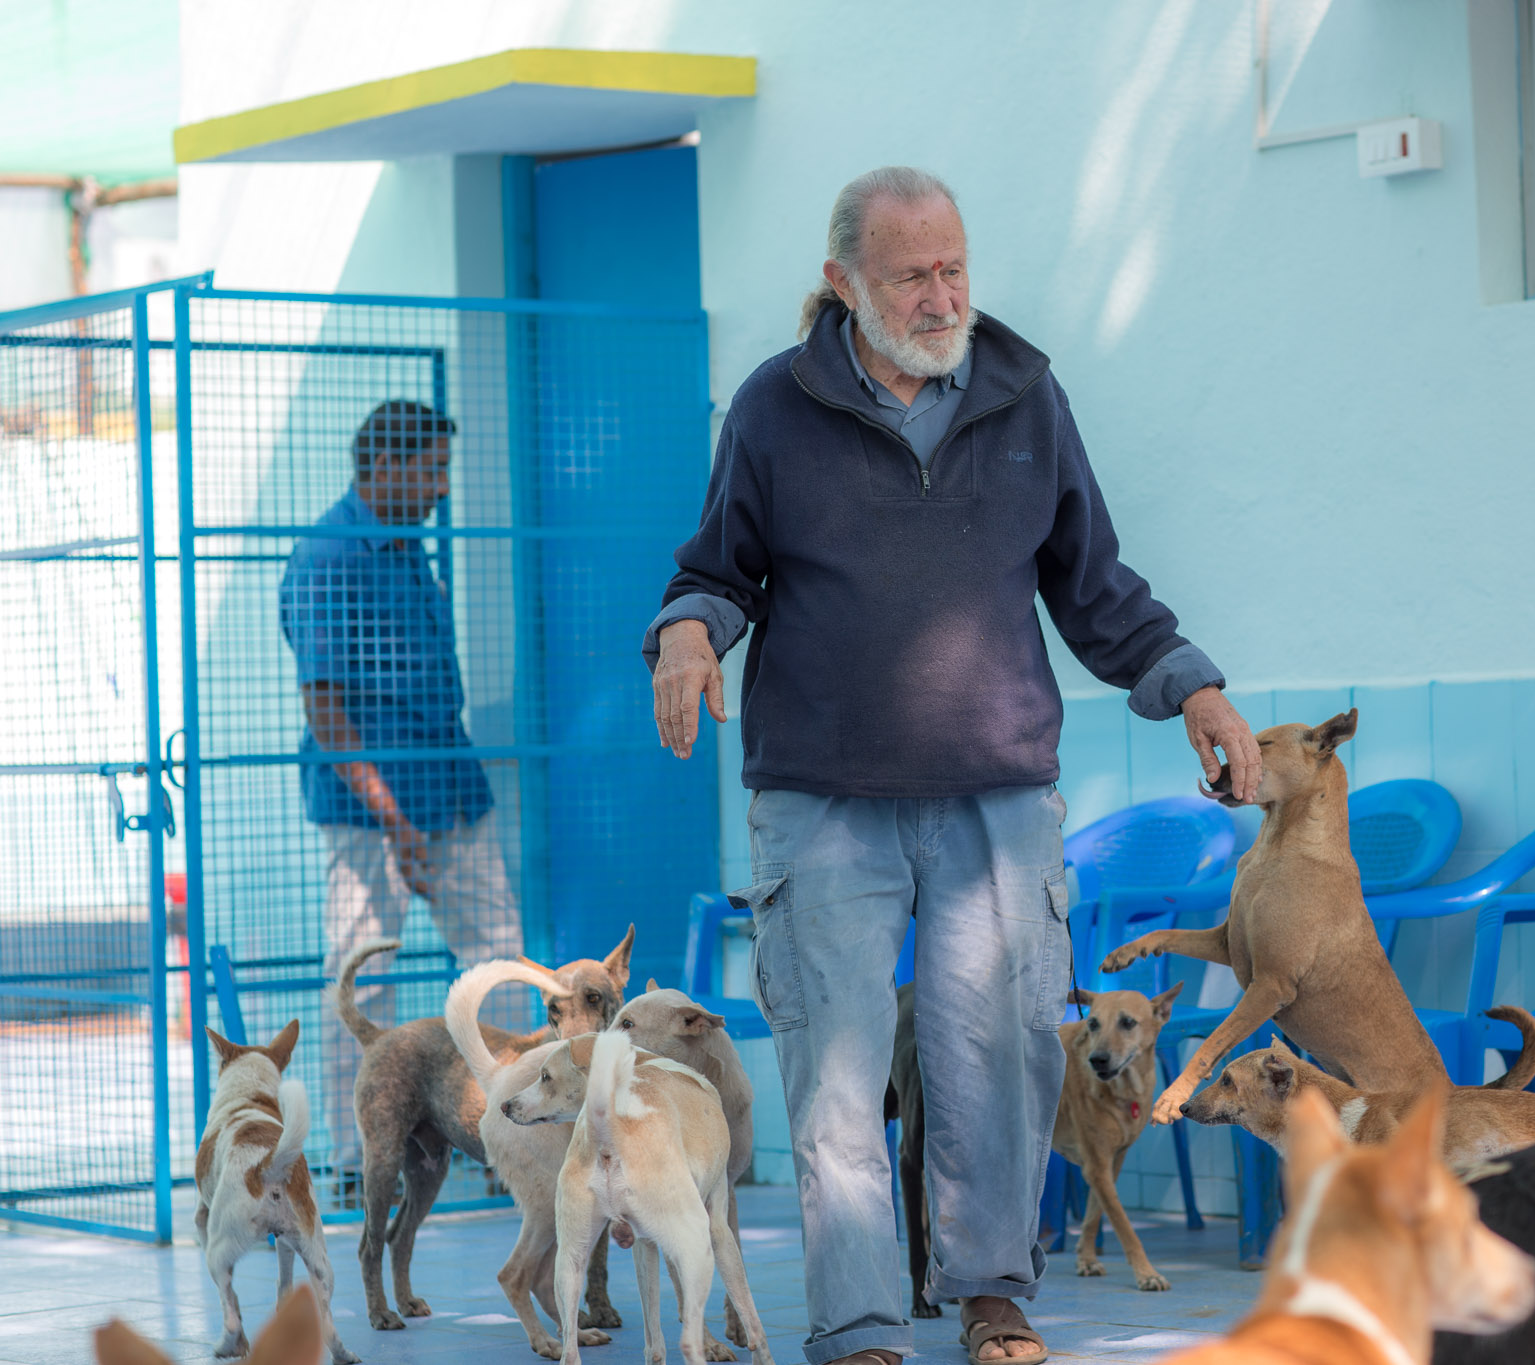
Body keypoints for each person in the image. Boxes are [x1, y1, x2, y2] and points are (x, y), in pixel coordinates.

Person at [644, 167, 1261, 1365]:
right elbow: (718, 570)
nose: (938, 298)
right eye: (908, 277)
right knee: (835, 1077)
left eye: (952, 269)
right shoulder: (773, 407)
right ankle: (861, 1327)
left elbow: (1094, 586)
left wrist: (1193, 687)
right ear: (843, 283)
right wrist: (684, 631)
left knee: (1005, 1062)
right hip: (823, 798)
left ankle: (989, 1295)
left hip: (996, 792)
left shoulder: (1025, 396)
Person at [279, 398, 523, 1178]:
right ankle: (360, 1158)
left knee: (498, 956)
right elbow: (326, 710)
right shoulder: (328, 557)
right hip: (368, 807)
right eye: (433, 469)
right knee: (365, 976)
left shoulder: (410, 544)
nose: (443, 487)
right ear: (385, 465)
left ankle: (507, 1132)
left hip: (451, 785)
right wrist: (393, 818)